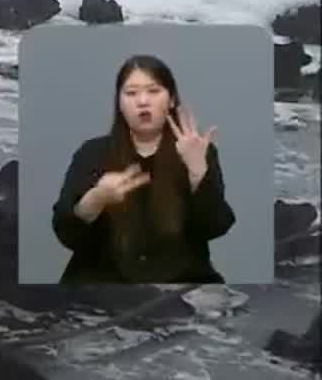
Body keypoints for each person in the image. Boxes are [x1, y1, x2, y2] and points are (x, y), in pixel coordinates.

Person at [51, 54, 235, 283]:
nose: (142, 101)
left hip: (178, 290)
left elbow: (215, 227)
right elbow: (67, 235)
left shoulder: (199, 152)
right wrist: (97, 198)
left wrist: (198, 174)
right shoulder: (93, 153)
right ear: (119, 103)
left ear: (171, 100)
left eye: (153, 91)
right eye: (131, 93)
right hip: (101, 287)